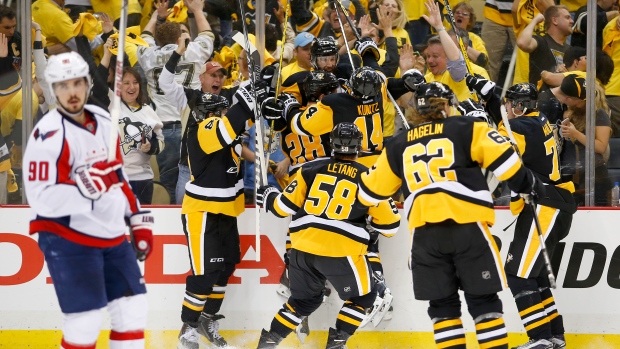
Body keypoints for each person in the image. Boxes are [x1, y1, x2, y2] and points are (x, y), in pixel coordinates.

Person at [358, 81, 543, 349]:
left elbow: (368, 195)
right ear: (446, 105)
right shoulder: (468, 128)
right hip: (467, 228)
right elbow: (508, 164)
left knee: (442, 307)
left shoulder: (398, 145)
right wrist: (529, 187)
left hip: (424, 237)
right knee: (483, 301)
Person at [22, 51, 153, 349]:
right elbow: (42, 199)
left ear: (87, 84)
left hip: (111, 236)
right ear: (54, 89)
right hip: (68, 239)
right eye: (63, 86)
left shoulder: (105, 120)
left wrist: (137, 219)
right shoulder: (47, 135)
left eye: (77, 84)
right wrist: (90, 184)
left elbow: (118, 177)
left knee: (132, 313)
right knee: (85, 321)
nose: (71, 92)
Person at [255, 122, 401, 349]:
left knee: (304, 302)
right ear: (359, 147)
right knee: (363, 298)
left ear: (331, 144)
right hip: (341, 250)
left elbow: (281, 208)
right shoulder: (369, 177)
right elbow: (391, 228)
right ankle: (335, 346)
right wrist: (371, 220)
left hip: (301, 249)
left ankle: (267, 344)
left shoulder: (309, 169)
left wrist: (268, 194)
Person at [158, 33, 257, 349]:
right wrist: (251, 96)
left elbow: (242, 114)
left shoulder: (223, 122)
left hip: (227, 208)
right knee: (205, 272)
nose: (217, 112)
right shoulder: (206, 129)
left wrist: (255, 68)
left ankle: (207, 318)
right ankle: (187, 326)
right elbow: (234, 121)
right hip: (202, 210)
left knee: (227, 264)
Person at [467, 74, 577, 349]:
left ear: (517, 106)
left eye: (507, 105)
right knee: (535, 275)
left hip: (544, 207)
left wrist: (477, 121)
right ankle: (554, 336)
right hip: (554, 204)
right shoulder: (535, 120)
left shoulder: (522, 128)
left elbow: (497, 146)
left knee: (517, 275)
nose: (505, 109)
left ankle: (539, 338)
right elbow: (509, 124)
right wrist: (490, 98)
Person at [137, 0, 213, 205]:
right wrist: (197, 10)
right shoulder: (193, 51)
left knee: (169, 181)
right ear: (180, 38)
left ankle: (173, 224)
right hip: (192, 124)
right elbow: (208, 35)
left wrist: (156, 16)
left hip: (165, 126)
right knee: (197, 178)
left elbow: (144, 37)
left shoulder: (149, 55)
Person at [559, 75, 613, 206]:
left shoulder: (599, 114)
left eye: (569, 98)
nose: (565, 99)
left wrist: (575, 133)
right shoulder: (572, 112)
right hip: (574, 173)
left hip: (595, 175)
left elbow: (601, 147)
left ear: (579, 99)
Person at [421, 0, 488, 102]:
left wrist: (463, 49)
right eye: (457, 13)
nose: (430, 60)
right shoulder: (431, 74)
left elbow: (482, 60)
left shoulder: (473, 71)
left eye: (464, 14)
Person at [116, 66, 165, 204]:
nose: (132, 86)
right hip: (117, 178)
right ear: (118, 86)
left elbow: (161, 142)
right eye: (126, 83)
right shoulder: (111, 106)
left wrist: (150, 147)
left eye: (135, 82)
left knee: (139, 223)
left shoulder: (148, 110)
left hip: (143, 179)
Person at [516, 6, 574, 86]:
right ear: (555, 20)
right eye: (567, 18)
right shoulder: (542, 42)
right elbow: (522, 43)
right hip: (541, 96)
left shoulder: (570, 50)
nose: (572, 21)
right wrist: (535, 20)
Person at [481, 0, 516, 82]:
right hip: (493, 13)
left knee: (526, 64)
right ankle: (486, 93)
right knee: (488, 62)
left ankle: (523, 93)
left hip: (524, 16)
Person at [452, 2, 489, 69]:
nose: (460, 15)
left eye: (464, 14)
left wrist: (463, 47)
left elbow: (483, 61)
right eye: (457, 13)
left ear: (469, 21)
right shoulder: (444, 35)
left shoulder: (475, 38)